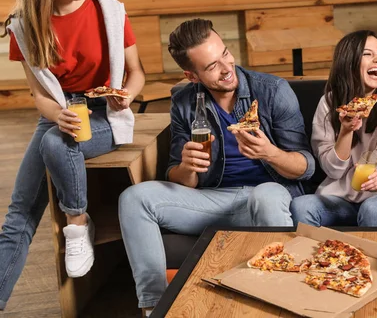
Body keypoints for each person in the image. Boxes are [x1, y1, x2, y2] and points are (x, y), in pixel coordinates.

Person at [118, 18, 315, 314]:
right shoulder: (184, 101)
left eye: (225, 53)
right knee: (133, 198)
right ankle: (156, 307)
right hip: (214, 200)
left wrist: (269, 153)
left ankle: (278, 303)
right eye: (211, 66)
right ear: (192, 75)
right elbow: (178, 176)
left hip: (271, 196)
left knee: (265, 196)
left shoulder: (273, 90)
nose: (226, 68)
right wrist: (187, 166)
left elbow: (306, 167)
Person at [0, 0, 144, 310]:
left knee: (52, 143)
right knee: (19, 213)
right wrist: (58, 115)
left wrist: (126, 95)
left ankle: (77, 223)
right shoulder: (24, 25)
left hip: (104, 114)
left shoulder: (110, 11)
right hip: (58, 114)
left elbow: (137, 72)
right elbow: (40, 96)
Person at [290, 30, 377, 227]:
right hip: (340, 197)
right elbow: (332, 170)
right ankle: (321, 258)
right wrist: (346, 131)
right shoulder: (328, 102)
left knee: (372, 209)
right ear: (349, 62)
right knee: (301, 206)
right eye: (368, 54)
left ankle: (374, 259)